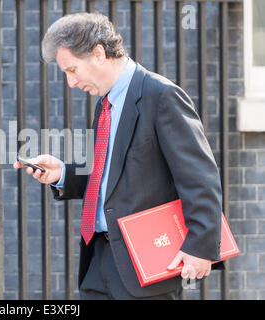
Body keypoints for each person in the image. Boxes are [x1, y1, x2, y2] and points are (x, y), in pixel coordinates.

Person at [13, 12, 222, 300]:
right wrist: (63, 174)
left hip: (144, 265)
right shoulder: (106, 104)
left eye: (72, 70)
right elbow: (111, 176)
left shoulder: (161, 95)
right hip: (98, 261)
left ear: (98, 54)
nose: (71, 82)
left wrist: (200, 247)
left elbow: (200, 177)